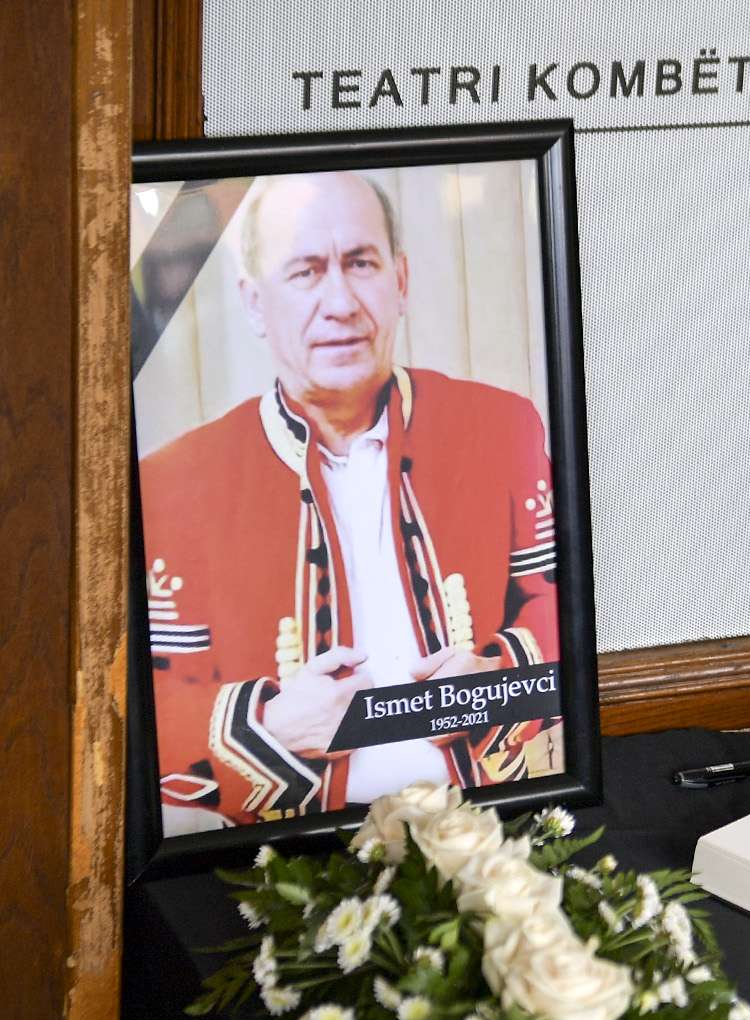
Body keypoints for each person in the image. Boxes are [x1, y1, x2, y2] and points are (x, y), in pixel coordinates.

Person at [140, 171, 560, 829]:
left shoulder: (502, 426)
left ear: (401, 281)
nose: (339, 302)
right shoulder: (175, 480)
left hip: (489, 820)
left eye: (360, 263)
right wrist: (270, 723)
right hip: (285, 850)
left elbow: (558, 606)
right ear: (254, 303)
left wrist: (495, 678)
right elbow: (147, 700)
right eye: (305, 272)